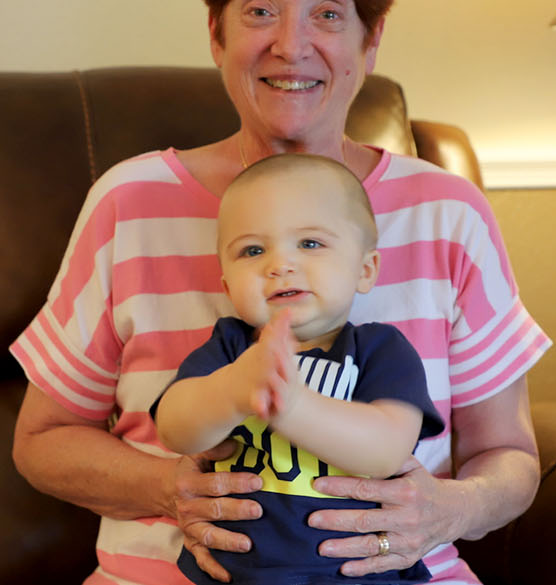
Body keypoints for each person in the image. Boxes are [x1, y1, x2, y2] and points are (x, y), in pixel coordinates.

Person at [10, 0, 552, 585]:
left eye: (329, 14)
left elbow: (509, 454)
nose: (291, 46)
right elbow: (41, 441)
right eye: (261, 10)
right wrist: (168, 487)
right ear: (217, 30)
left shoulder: (448, 213)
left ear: (371, 38)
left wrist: (447, 508)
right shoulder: (128, 202)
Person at [153, 153, 445, 584]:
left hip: (360, 574)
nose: (279, 265)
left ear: (365, 270)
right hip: (234, 574)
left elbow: (386, 451)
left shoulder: (380, 349)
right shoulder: (231, 348)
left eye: (310, 243)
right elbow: (174, 429)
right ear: (228, 286)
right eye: (253, 250)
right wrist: (233, 390)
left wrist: (291, 405)